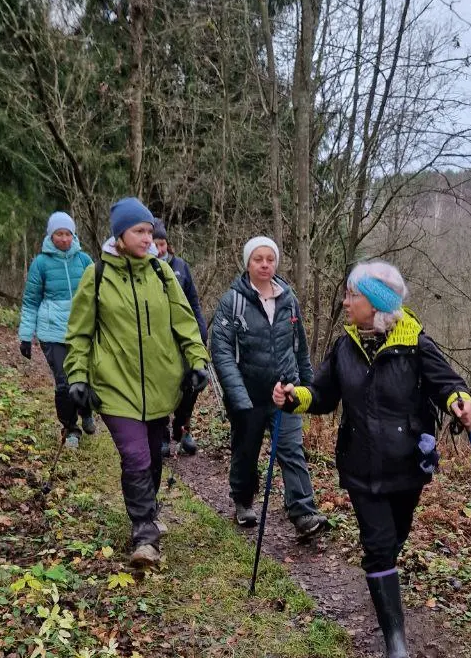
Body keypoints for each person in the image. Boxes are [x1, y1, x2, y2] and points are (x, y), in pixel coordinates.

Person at [272, 260, 471, 658]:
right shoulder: (344, 346)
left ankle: (383, 584)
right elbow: (324, 394)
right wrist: (295, 398)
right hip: (360, 464)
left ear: (377, 303)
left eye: (352, 295)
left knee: (396, 536)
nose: (345, 302)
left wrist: (460, 400)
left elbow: (447, 383)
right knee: (379, 544)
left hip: (407, 465)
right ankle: (395, 642)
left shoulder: (415, 342)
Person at [64, 197, 210, 567]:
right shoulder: (96, 276)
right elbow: (80, 333)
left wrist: (197, 360)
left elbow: (185, 322)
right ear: (120, 235)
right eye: (140, 231)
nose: (149, 238)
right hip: (116, 385)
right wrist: (78, 376)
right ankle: (145, 533)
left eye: (150, 231)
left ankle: (147, 512)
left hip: (161, 385)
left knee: (152, 458)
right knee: (135, 455)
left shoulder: (162, 275)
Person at [211, 235, 327, 538]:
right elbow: (222, 352)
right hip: (248, 393)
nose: (264, 264)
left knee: (290, 449)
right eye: (258, 259)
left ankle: (303, 512)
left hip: (285, 391)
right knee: (246, 451)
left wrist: (308, 391)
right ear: (247, 263)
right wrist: (237, 396)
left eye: (270, 259)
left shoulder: (288, 299)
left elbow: (299, 347)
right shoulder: (232, 301)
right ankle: (243, 500)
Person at [18, 212, 93, 448]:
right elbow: (31, 301)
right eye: (59, 234)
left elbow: (99, 295)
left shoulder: (84, 261)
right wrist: (25, 337)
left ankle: (86, 411)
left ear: (74, 235)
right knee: (64, 383)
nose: (64, 238)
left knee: (85, 376)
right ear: (51, 235)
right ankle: (71, 428)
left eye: (68, 234)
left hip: (82, 330)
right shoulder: (41, 263)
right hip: (52, 333)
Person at [152, 219, 208, 457]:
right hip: (158, 341)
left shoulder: (181, 267)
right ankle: (162, 434)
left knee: (191, 386)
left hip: (183, 337)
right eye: (155, 243)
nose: (159, 248)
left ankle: (182, 430)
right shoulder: (145, 269)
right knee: (162, 385)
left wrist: (201, 331)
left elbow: (193, 301)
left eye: (162, 243)